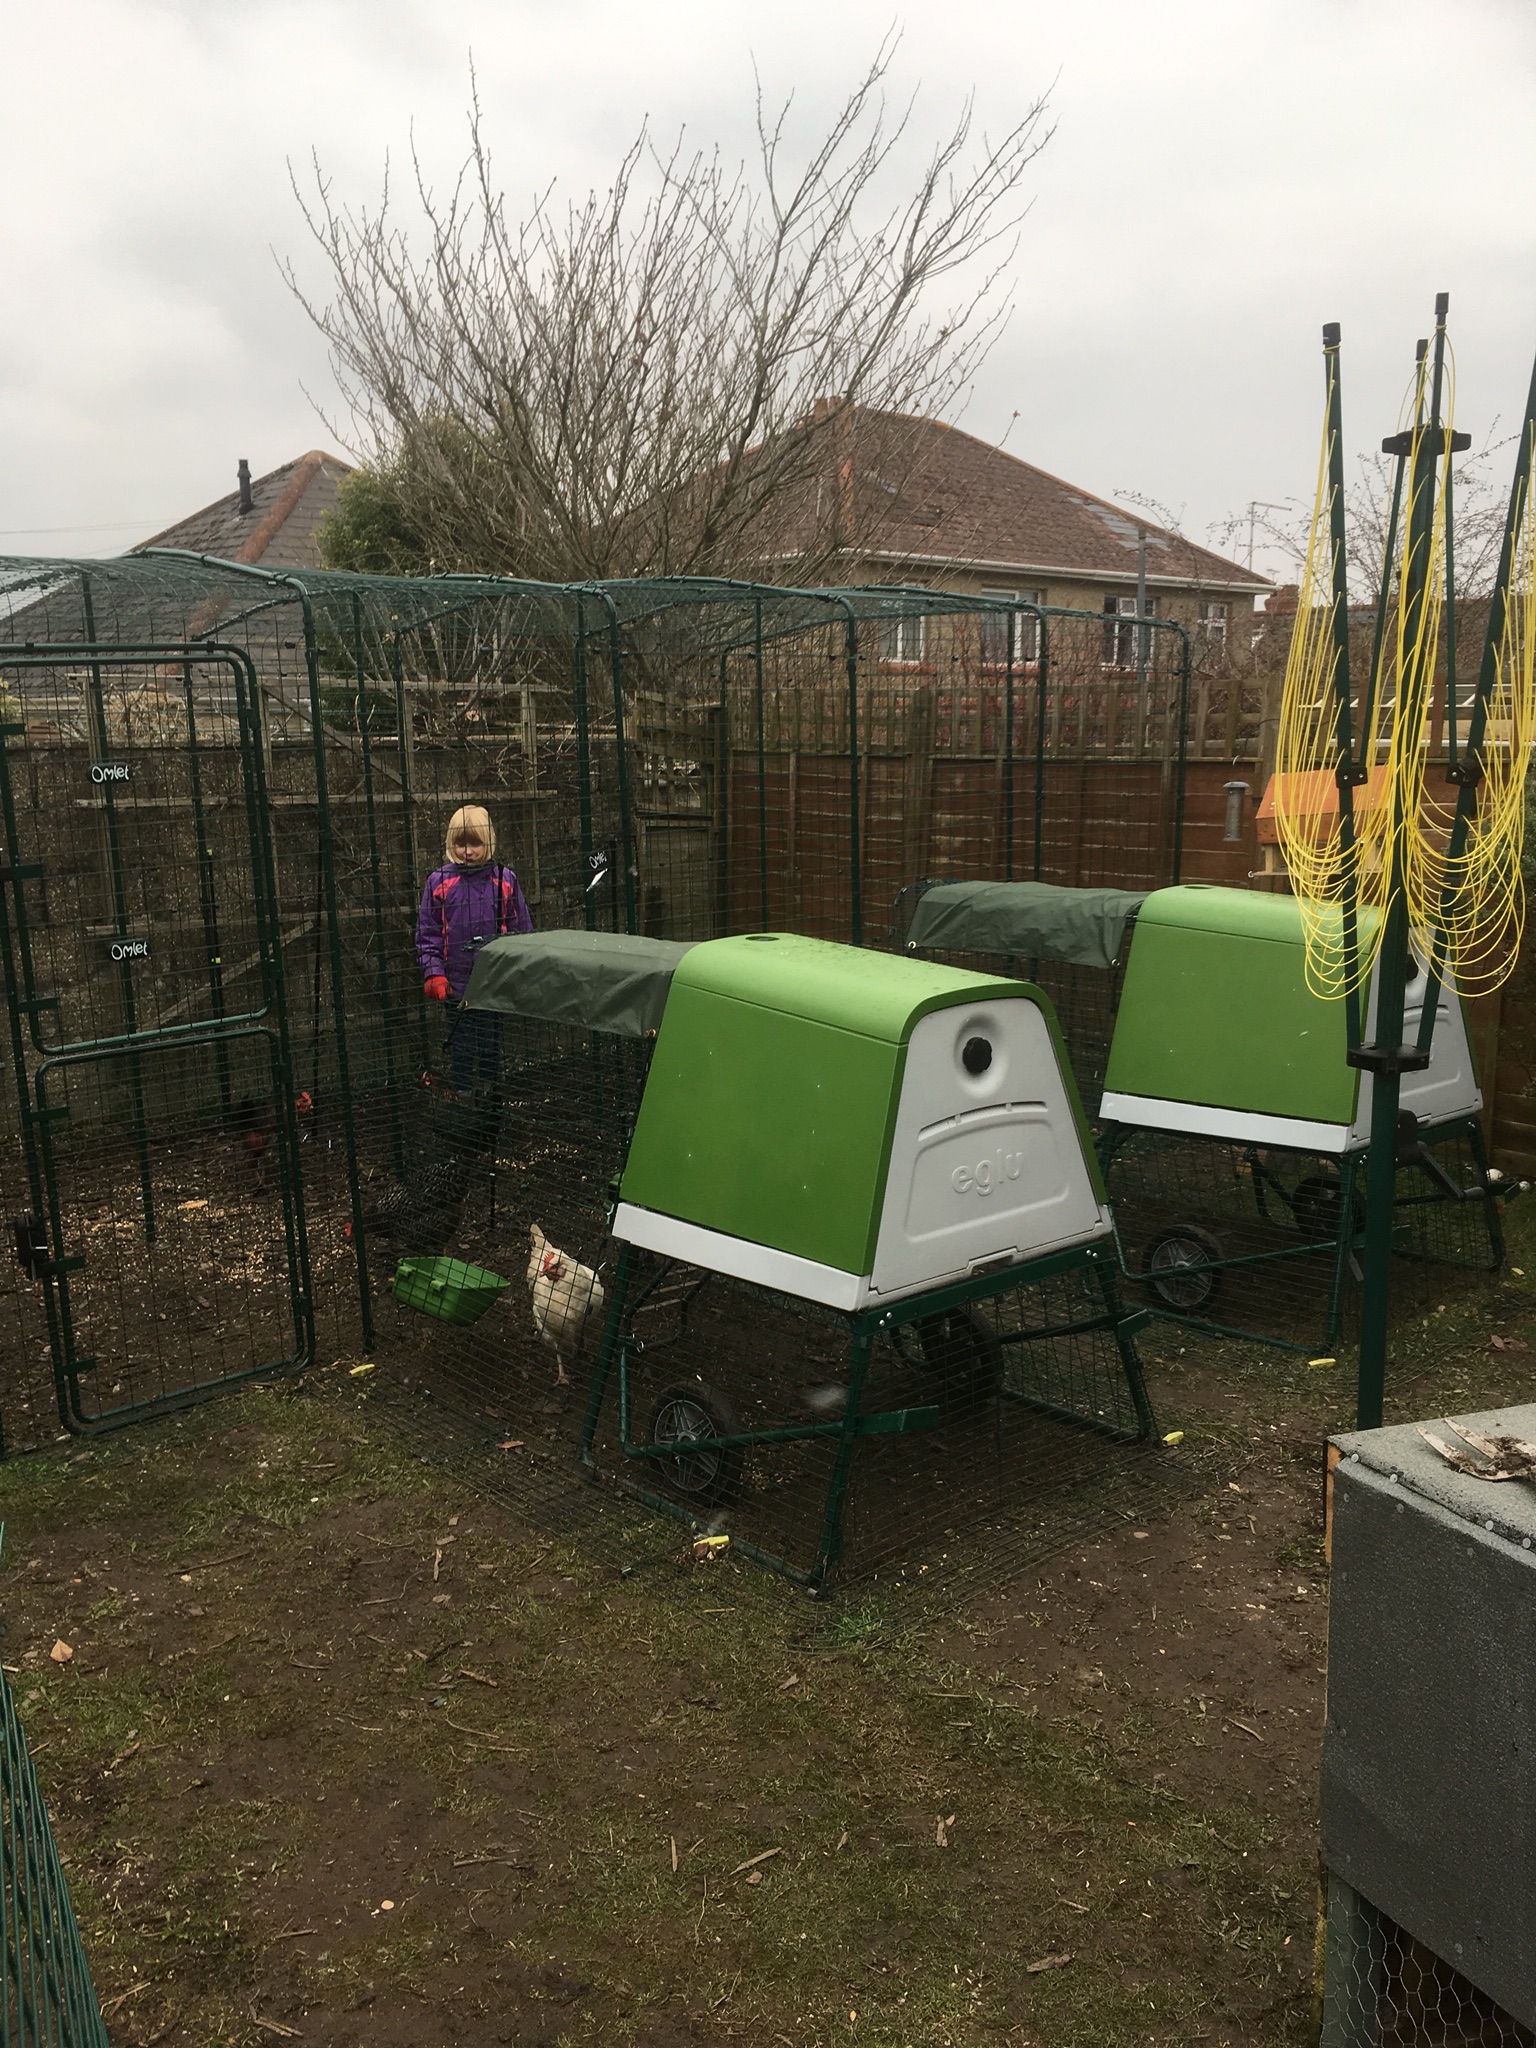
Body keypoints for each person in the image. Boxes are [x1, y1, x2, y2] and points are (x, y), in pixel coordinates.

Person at [415, 804, 532, 1095]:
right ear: (450, 844)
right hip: (456, 987)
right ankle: (465, 1101)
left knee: (491, 1045)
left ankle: (490, 1100)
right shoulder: (439, 882)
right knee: (462, 1047)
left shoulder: (505, 880)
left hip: (494, 984)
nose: (468, 851)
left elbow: (521, 931)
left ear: (488, 842)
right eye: (461, 843)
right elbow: (427, 933)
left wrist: (517, 972)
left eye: (475, 843)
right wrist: (434, 974)